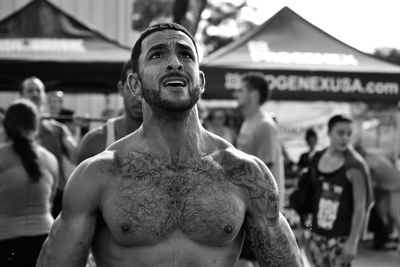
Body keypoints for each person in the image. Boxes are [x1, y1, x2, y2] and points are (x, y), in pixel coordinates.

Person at [36, 22, 303, 267]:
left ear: (201, 82)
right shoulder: (98, 174)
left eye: (186, 55)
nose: (175, 63)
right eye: (157, 55)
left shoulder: (244, 174)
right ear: (135, 84)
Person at [305, 114, 373, 267]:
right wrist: (308, 230)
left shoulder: (355, 166)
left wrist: (352, 242)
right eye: (340, 133)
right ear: (329, 133)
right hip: (317, 236)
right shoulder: (318, 158)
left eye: (349, 134)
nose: (345, 138)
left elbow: (360, 207)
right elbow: (311, 198)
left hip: (340, 240)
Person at [0, 99, 58, 266]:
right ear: (35, 126)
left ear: (6, 126)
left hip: (6, 241)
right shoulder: (49, 159)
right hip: (44, 240)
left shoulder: (1, 156)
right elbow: (50, 202)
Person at [20, 77, 78, 218]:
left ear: (43, 96)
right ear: (22, 96)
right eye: (30, 90)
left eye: (38, 90)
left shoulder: (58, 129)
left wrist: (80, 130)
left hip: (53, 196)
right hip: (22, 194)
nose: (34, 93)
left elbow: (78, 156)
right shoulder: (13, 129)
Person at [234, 72, 285, 211]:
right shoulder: (248, 122)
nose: (235, 94)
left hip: (264, 209)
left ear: (254, 95)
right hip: (249, 204)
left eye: (240, 90)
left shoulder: (265, 125)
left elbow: (263, 172)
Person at [77, 60, 143, 163]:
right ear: (121, 89)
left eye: (145, 89)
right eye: (131, 87)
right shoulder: (95, 141)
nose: (138, 98)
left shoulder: (170, 142)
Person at [355, 144, 400, 251]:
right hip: (388, 187)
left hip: (396, 186)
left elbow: (369, 187)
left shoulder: (366, 164)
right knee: (382, 212)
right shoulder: (374, 157)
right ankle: (386, 237)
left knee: (395, 214)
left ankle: (389, 236)